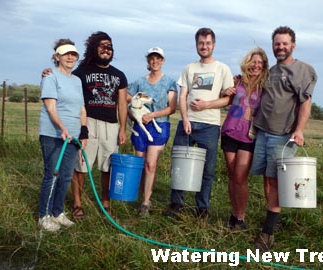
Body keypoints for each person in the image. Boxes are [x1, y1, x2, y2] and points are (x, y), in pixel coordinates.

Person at [250, 26, 317, 251]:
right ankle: (270, 217)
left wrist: (299, 130)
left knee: (276, 182)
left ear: (293, 45)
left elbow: (305, 104)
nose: (280, 47)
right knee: (267, 179)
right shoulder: (271, 71)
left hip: (283, 135)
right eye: (277, 43)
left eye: (284, 43)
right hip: (262, 131)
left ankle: (267, 233)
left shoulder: (302, 70)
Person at [164, 27, 234, 219]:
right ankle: (176, 203)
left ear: (214, 45)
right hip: (188, 123)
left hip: (210, 126)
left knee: (208, 169)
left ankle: (202, 207)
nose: (204, 46)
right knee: (180, 164)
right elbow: (183, 96)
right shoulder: (189, 68)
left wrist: (206, 105)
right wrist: (185, 119)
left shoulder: (222, 69)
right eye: (201, 43)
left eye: (208, 43)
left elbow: (228, 99)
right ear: (196, 45)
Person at [71, 31, 128, 219]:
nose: (107, 49)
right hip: (88, 124)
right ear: (94, 48)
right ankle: (77, 204)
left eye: (110, 47)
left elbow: (121, 103)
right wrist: (48, 72)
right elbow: (65, 84)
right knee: (81, 166)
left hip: (111, 126)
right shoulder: (81, 72)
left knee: (108, 167)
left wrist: (122, 128)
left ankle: (105, 203)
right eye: (103, 46)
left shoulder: (119, 75)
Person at [38, 39, 88, 232]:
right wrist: (62, 128)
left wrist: (83, 132)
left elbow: (82, 108)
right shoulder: (50, 77)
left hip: (73, 137)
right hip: (53, 134)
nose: (70, 57)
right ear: (57, 57)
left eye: (73, 54)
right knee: (52, 175)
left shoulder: (76, 80)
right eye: (66, 54)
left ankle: (58, 212)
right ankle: (44, 215)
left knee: (66, 176)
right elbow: (50, 107)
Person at [220, 47, 269, 230]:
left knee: (241, 176)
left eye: (259, 63)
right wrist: (225, 90)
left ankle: (240, 216)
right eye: (253, 62)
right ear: (247, 63)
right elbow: (223, 97)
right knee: (232, 175)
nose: (256, 65)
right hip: (230, 130)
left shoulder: (266, 86)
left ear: (263, 66)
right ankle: (234, 214)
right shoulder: (237, 81)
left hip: (249, 136)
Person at [127, 47, 178, 216]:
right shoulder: (140, 82)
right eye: (151, 58)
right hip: (140, 126)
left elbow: (172, 108)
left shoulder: (170, 82)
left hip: (159, 124)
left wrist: (152, 114)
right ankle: (142, 195)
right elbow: (127, 96)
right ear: (148, 61)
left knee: (151, 164)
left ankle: (146, 202)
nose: (155, 61)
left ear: (163, 61)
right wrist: (133, 112)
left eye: (158, 58)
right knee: (141, 164)